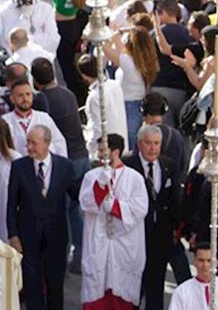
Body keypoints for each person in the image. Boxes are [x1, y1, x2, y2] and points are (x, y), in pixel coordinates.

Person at [6, 124, 74, 310]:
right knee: (32, 283)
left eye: (34, 143)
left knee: (55, 283)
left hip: (56, 235)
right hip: (28, 234)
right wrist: (13, 235)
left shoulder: (65, 166)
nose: (29, 147)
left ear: (47, 143)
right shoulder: (19, 167)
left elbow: (79, 196)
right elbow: (12, 203)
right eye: (28, 142)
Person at [79, 133, 148, 310]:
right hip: (98, 244)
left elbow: (140, 208)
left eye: (103, 150)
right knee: (97, 291)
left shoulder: (134, 178)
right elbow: (85, 202)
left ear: (115, 152)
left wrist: (116, 206)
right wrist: (100, 186)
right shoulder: (91, 176)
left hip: (124, 246)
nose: (99, 154)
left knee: (121, 295)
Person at [125, 124, 188, 310]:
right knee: (133, 288)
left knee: (156, 288)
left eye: (156, 143)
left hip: (161, 237)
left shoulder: (169, 165)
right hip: (135, 238)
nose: (152, 148)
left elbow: (175, 198)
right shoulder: (128, 165)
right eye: (148, 143)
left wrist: (178, 229)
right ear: (139, 144)